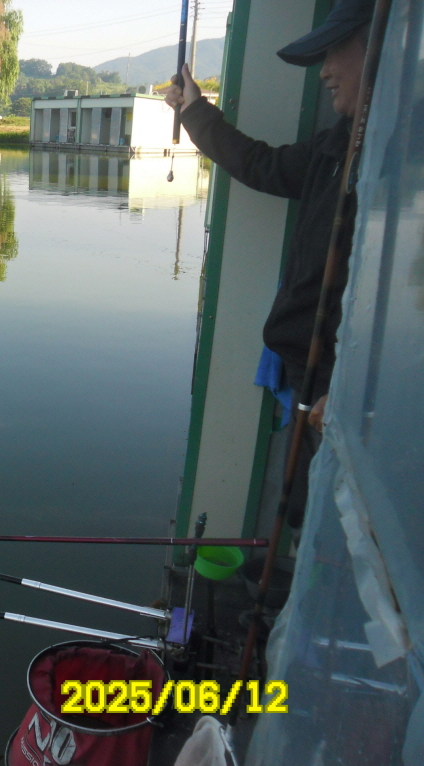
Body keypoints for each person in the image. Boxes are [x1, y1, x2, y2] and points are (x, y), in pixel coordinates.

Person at [164, 0, 373, 531]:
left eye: (334, 53)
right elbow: (264, 165)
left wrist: (349, 390)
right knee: (307, 515)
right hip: (310, 380)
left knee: (346, 526)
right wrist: (195, 111)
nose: (324, 71)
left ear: (382, 51)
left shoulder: (405, 167)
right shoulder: (337, 145)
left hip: (350, 393)